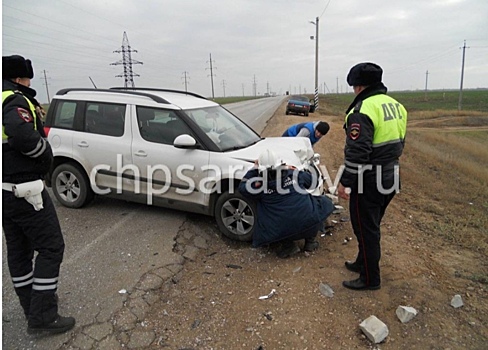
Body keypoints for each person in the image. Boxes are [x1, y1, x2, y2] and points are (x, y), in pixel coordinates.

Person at [2, 55, 76, 333]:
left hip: (5, 191)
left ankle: (31, 307)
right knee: (51, 247)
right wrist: (44, 154)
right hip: (26, 190)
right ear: (22, 77)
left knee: (19, 252)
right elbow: (21, 135)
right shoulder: (15, 99)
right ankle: (43, 318)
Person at [337, 62, 407, 290]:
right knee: (370, 224)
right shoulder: (396, 106)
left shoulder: (363, 109)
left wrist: (344, 182)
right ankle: (362, 262)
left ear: (357, 86)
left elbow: (358, 153)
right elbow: (400, 142)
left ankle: (370, 279)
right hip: (391, 175)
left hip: (369, 180)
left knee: (365, 228)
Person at [238, 149, 334, 258]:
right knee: (319, 202)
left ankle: (288, 246)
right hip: (309, 223)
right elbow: (314, 182)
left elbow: (242, 188)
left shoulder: (260, 186)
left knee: (274, 218)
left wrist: (254, 169)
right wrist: (293, 170)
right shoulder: (293, 174)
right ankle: (310, 242)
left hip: (282, 230)